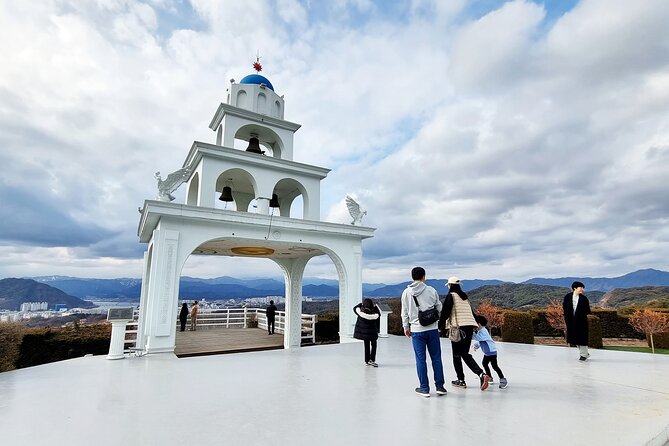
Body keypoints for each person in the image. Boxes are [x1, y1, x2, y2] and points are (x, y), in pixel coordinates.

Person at [401, 266, 447, 398]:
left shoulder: (406, 293)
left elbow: (404, 313)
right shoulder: (431, 290)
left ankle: (424, 388)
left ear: (412, 277)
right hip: (432, 329)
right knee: (436, 358)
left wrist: (406, 328)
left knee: (420, 360)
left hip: (416, 330)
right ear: (424, 277)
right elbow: (439, 307)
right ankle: (440, 387)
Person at [439, 276, 490, 391]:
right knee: (464, 353)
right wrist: (480, 320)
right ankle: (480, 375)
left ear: (450, 285)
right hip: (469, 328)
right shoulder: (465, 298)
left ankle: (463, 379)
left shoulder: (451, 296)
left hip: (458, 329)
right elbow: (472, 314)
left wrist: (439, 326)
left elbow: (445, 313)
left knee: (457, 355)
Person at [472, 315, 507, 389]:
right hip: (487, 353)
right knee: (484, 364)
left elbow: (480, 338)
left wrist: (472, 333)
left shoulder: (484, 331)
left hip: (492, 352)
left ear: (479, 324)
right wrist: (476, 346)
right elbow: (480, 341)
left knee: (495, 367)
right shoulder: (480, 331)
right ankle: (489, 377)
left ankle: (503, 380)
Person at [563, 281, 591, 361]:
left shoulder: (584, 299)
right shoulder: (567, 297)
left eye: (582, 288)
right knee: (573, 338)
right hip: (571, 321)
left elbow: (587, 310)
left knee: (582, 337)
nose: (582, 289)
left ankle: (583, 355)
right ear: (575, 288)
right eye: (581, 288)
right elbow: (565, 308)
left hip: (581, 322)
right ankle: (585, 353)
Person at [353, 298, 381, 367]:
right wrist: (375, 307)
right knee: (374, 345)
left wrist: (360, 305)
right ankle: (372, 360)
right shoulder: (374, 313)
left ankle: (367, 360)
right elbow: (378, 315)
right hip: (372, 333)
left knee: (366, 346)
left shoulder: (361, 312)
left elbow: (355, 308)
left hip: (364, 333)